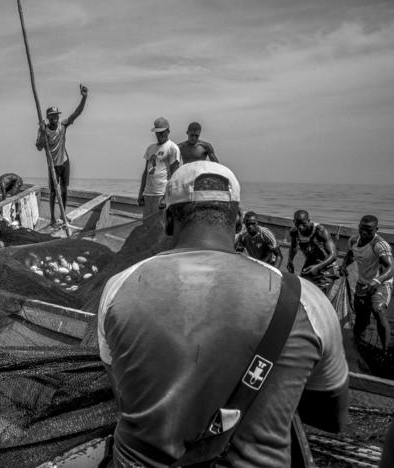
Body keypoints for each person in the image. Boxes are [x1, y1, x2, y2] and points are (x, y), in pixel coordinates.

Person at [98, 161, 348, 467]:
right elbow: (331, 418)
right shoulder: (306, 299)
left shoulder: (118, 289)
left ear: (167, 220)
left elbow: (123, 392)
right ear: (240, 220)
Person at [35, 84, 88, 225]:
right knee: (53, 192)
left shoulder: (63, 125)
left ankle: (63, 215)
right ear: (48, 118)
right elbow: (39, 147)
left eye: (57, 116)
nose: (55, 119)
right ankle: (52, 218)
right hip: (52, 165)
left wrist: (84, 98)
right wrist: (41, 132)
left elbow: (77, 113)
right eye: (52, 117)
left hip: (64, 163)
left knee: (64, 190)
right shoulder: (44, 130)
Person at [340, 215, 393, 350]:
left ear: (376, 229)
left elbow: (390, 267)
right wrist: (344, 265)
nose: (364, 233)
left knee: (378, 309)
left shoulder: (379, 245)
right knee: (361, 316)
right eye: (362, 229)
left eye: (369, 230)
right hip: (362, 283)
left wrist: (376, 281)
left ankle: (385, 350)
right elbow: (351, 255)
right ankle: (358, 344)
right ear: (358, 227)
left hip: (381, 283)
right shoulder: (353, 241)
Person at [137, 117, 181, 221]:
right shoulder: (150, 148)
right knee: (146, 224)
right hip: (148, 194)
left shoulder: (172, 148)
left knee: (160, 226)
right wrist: (141, 193)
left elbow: (175, 175)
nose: (159, 135)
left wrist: (166, 197)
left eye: (162, 132)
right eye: (157, 133)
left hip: (161, 194)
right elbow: (146, 172)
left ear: (168, 131)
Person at [287, 209, 338, 295]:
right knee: (303, 293)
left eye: (303, 224)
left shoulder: (320, 231)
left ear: (309, 221)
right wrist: (290, 260)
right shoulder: (294, 232)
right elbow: (293, 247)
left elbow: (333, 255)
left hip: (327, 267)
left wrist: (317, 267)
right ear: (293, 222)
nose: (300, 227)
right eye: (297, 224)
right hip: (310, 265)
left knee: (320, 297)